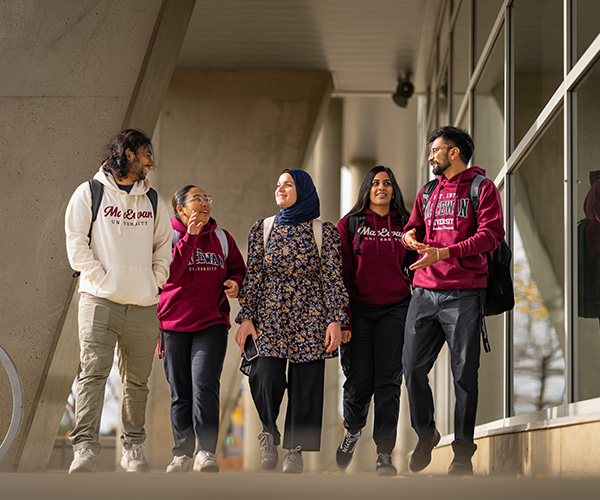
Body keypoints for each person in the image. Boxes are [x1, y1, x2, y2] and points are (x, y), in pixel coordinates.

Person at [65, 129, 172, 473]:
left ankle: (133, 449)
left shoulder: (154, 200)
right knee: (93, 374)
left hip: (142, 304)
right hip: (99, 301)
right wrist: (100, 278)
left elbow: (163, 249)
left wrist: (153, 282)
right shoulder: (89, 192)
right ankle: (84, 448)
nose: (150, 162)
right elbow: (75, 242)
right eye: (145, 155)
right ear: (127, 153)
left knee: (137, 381)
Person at [401, 126, 504, 476]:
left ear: (454, 152)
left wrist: (444, 252)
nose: (431, 156)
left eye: (436, 150)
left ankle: (462, 454)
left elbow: (490, 236)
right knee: (412, 369)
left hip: (464, 293)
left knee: (464, 377)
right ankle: (426, 433)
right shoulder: (427, 191)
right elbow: (412, 228)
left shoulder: (482, 188)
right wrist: (409, 238)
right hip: (424, 292)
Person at [234, 168, 348, 474]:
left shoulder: (324, 232)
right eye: (278, 184)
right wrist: (246, 318)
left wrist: (336, 320)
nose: (280, 188)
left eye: (288, 184)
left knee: (307, 384)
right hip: (270, 313)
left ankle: (295, 451)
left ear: (304, 190)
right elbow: (254, 276)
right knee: (264, 375)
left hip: (311, 313)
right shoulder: (263, 229)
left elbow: (333, 278)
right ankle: (269, 432)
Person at [157, 184, 246, 474]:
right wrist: (190, 240)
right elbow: (171, 273)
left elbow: (238, 269)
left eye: (207, 198)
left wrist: (235, 282)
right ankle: (182, 453)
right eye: (197, 199)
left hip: (211, 322)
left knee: (205, 385)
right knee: (180, 390)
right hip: (173, 324)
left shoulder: (221, 238)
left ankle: (206, 452)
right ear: (180, 208)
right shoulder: (167, 236)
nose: (205, 203)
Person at [335, 166, 414, 476]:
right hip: (359, 310)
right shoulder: (350, 224)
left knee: (389, 384)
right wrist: (341, 318)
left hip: (396, 309)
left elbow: (416, 268)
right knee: (357, 381)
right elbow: (338, 275)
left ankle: (384, 454)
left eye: (388, 183)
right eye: (376, 183)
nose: (382, 187)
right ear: (367, 188)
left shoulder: (407, 224)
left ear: (394, 190)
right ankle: (353, 430)